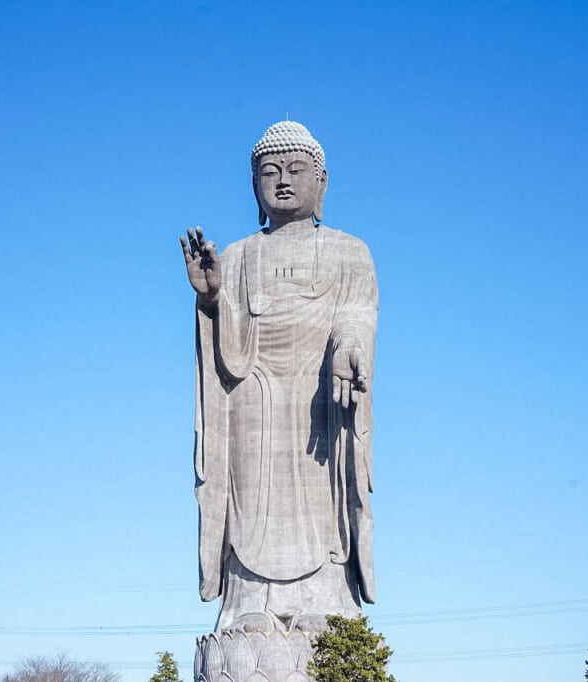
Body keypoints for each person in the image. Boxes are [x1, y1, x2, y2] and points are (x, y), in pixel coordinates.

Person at [180, 121, 378, 634]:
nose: (283, 181)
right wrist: (209, 298)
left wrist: (348, 349)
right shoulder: (240, 254)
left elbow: (357, 314)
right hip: (255, 393)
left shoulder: (348, 250)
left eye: (296, 170)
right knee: (248, 497)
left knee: (322, 498)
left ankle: (327, 600)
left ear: (322, 183)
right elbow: (227, 352)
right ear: (254, 186)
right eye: (270, 172)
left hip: (320, 395)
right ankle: (248, 603)